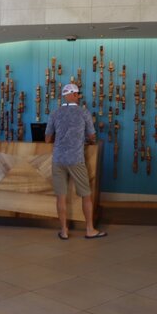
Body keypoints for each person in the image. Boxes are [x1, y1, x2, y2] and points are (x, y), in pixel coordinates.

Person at [45, 83, 106, 240]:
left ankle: (64, 231)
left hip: (58, 159)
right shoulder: (84, 112)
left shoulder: (55, 112)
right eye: (78, 94)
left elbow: (47, 138)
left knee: (61, 197)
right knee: (86, 195)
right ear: (72, 95)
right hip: (76, 159)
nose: (79, 96)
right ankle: (89, 229)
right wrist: (86, 139)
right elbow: (92, 137)